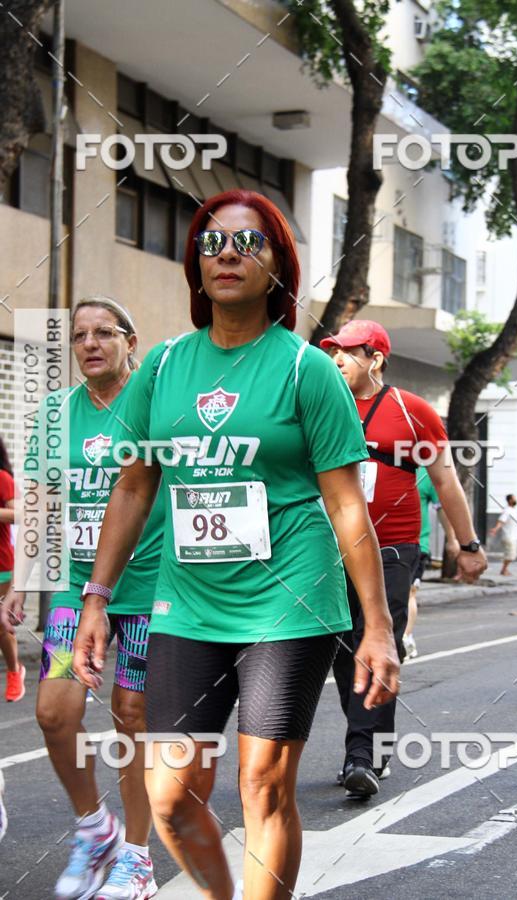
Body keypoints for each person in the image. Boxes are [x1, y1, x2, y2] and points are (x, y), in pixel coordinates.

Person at [70, 190, 398, 900]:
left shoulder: (307, 370)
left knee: (263, 783)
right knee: (169, 795)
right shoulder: (160, 368)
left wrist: (378, 626)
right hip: (187, 603)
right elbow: (133, 488)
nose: (227, 254)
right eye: (213, 243)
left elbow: (345, 504)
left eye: (249, 244)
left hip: (291, 597)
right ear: (195, 264)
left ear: (278, 266)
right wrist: (97, 595)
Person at [1, 297, 165, 900]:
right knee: (55, 713)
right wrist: (23, 579)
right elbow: (40, 498)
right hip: (73, 588)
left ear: (130, 339)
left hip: (146, 585)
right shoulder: (54, 413)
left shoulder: (152, 403)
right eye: (79, 336)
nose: (90, 343)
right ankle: (95, 829)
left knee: (132, 714)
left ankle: (138, 858)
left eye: (104, 333)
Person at [321, 319, 487, 798]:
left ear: (376, 359)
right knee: (340, 653)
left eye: (348, 351)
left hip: (393, 548)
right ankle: (373, 745)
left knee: (377, 644)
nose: (336, 359)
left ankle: (362, 757)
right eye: (333, 350)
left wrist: (469, 545)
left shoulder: (411, 411)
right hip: (327, 551)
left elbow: (446, 479)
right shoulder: (320, 403)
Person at [404, 467, 460, 660]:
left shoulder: (425, 474)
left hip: (417, 544)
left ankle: (405, 636)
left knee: (410, 591)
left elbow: (441, 507)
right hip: (378, 542)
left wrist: (452, 538)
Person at [0, 437, 26, 702]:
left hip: (1, 565)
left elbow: (19, 515)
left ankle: (14, 670)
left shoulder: (3, 478)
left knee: (0, 624)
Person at [489, 494, 517, 576]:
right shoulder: (507, 510)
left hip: (513, 536)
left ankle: (504, 569)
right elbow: (501, 521)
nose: (515, 500)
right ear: (510, 500)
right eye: (514, 498)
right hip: (509, 536)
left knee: (511, 555)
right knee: (510, 555)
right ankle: (504, 570)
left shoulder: (514, 510)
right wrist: (495, 529)